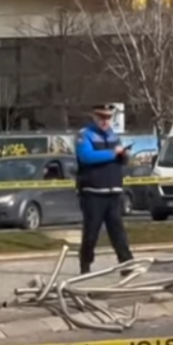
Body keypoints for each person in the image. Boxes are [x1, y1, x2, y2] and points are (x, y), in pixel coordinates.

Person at [75, 104, 136, 275]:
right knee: (91, 232)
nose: (105, 121)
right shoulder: (84, 134)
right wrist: (112, 154)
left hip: (113, 190)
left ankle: (126, 263)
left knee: (118, 231)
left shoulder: (113, 136)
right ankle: (85, 263)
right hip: (93, 191)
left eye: (108, 117)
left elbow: (120, 159)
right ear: (94, 117)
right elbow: (86, 156)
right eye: (101, 117)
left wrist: (124, 156)